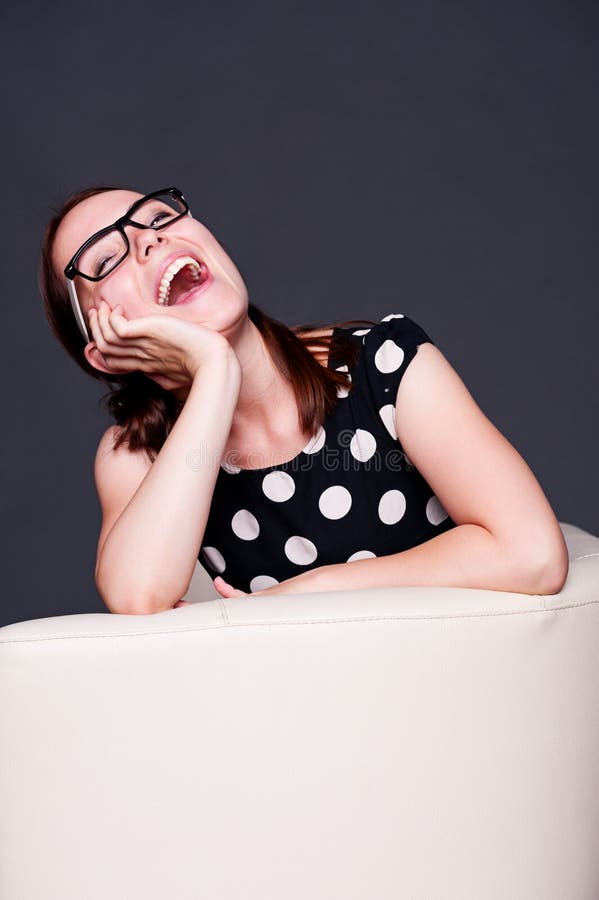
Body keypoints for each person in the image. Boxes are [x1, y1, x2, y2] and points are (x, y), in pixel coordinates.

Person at [40, 185, 569, 615]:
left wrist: (313, 592)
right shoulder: (137, 452)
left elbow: (533, 555)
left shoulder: (385, 363)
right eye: (105, 258)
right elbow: (138, 596)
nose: (148, 240)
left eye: (158, 217)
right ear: (106, 351)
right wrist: (214, 370)